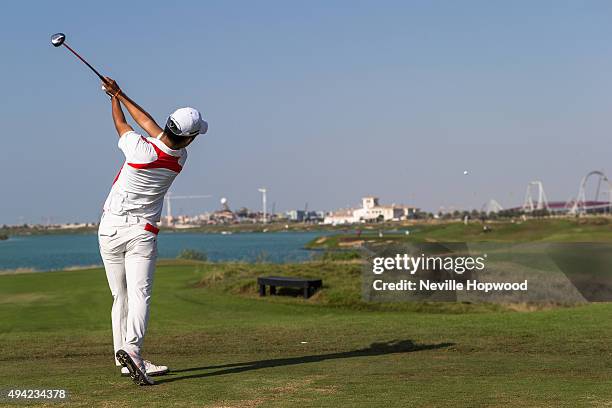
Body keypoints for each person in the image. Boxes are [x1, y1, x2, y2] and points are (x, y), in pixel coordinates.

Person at [97, 77, 207, 386]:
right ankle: (131, 351)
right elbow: (149, 124)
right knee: (140, 294)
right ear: (189, 138)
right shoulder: (179, 157)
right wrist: (119, 93)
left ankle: (125, 355)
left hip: (109, 229)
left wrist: (114, 99)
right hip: (140, 234)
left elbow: (124, 123)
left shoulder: (139, 150)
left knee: (120, 296)